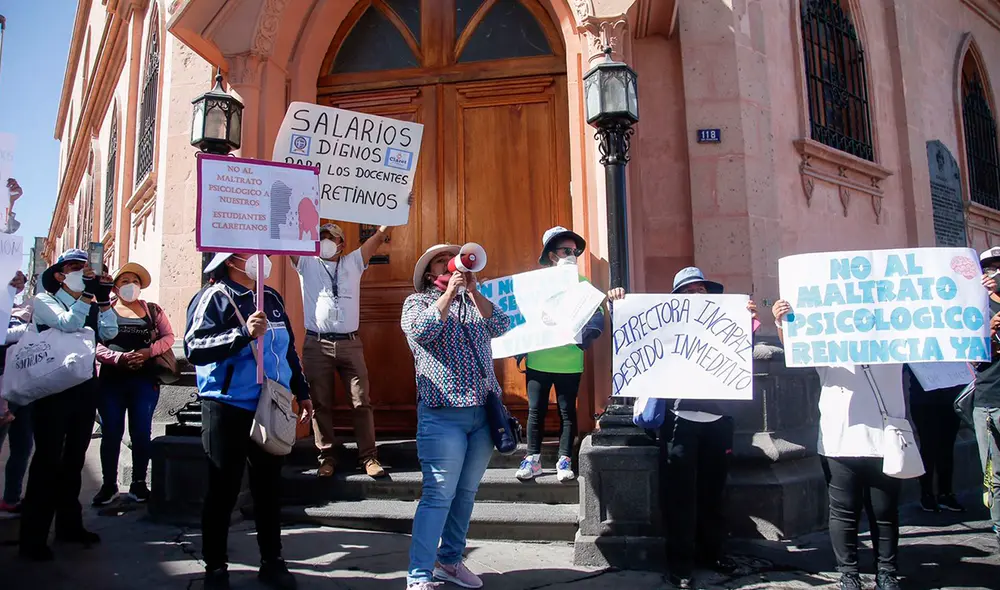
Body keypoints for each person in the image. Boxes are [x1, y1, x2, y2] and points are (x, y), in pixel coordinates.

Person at [185, 252, 313, 590]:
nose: (261, 260)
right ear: (231, 261)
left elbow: (287, 350)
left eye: (264, 254)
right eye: (250, 255)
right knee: (223, 490)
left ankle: (273, 561)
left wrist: (302, 391)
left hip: (270, 404)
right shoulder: (213, 296)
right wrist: (241, 333)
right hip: (227, 405)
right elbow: (195, 347)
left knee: (268, 489)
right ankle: (216, 567)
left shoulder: (270, 296)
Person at [401, 244, 512, 590]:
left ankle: (449, 560)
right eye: (443, 261)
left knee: (466, 492)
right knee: (438, 494)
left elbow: (503, 324)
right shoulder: (416, 303)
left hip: (482, 413)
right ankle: (418, 573)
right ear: (431, 273)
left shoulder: (472, 302)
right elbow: (421, 332)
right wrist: (449, 294)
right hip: (442, 414)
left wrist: (475, 292)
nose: (454, 266)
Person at [773, 298, 903, 590]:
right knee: (843, 511)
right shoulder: (827, 348)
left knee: (884, 511)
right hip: (839, 441)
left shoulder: (896, 345)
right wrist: (782, 322)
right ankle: (848, 573)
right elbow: (797, 351)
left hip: (884, 440)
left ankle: (887, 572)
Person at [658, 267, 759, 589]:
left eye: (700, 290)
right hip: (680, 421)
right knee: (680, 497)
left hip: (718, 421)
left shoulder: (727, 323)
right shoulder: (668, 327)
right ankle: (681, 564)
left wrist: (748, 320)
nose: (695, 296)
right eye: (687, 292)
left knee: (714, 493)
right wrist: (618, 304)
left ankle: (713, 553)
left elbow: (744, 348)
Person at [289, 209, 409, 478]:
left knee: (361, 402)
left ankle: (368, 457)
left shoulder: (354, 262)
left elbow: (379, 237)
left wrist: (399, 207)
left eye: (331, 238)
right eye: (321, 238)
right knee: (320, 403)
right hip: (316, 343)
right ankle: (326, 457)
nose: (325, 242)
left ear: (342, 243)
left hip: (350, 344)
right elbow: (286, 239)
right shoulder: (306, 264)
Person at [19, 249, 117, 561]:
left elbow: (110, 332)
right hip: (52, 390)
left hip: (84, 387)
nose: (81, 272)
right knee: (48, 461)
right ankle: (33, 538)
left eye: (84, 268)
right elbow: (67, 323)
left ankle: (69, 525)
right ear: (60, 275)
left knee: (74, 459)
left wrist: (103, 301)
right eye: (74, 268)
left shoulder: (88, 301)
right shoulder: (45, 301)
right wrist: (87, 297)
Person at [515, 226, 624, 482]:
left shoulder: (583, 283)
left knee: (567, 413)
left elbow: (597, 316)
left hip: (570, 361)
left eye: (575, 251)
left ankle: (564, 459)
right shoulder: (535, 283)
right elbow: (517, 311)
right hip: (539, 359)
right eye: (566, 250)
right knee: (535, 411)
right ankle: (533, 458)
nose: (572, 255)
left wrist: (584, 339)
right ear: (552, 255)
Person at [93, 262, 174, 505]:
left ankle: (139, 483)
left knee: (141, 432)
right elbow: (93, 342)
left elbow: (169, 336)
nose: (131, 286)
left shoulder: (152, 310)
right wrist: (118, 358)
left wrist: (149, 352)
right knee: (111, 432)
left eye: (136, 281)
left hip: (144, 381)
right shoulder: (103, 310)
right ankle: (109, 485)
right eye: (125, 281)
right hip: (111, 381)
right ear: (115, 287)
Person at [903, 364, 965, 513]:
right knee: (928, 446)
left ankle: (946, 493)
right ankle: (927, 493)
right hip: (924, 400)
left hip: (951, 398)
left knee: (947, 447)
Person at [973, 246, 1000, 551]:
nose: (992, 274)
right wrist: (987, 336)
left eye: (998, 268)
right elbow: (972, 359)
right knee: (994, 478)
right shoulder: (977, 311)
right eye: (988, 268)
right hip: (987, 401)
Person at [0, 270, 33, 512]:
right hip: (2, 390)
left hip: (23, 388)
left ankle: (11, 499)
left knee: (22, 446)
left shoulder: (24, 311)